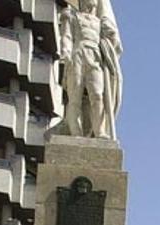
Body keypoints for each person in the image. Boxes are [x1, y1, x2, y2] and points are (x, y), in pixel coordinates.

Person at [60, 0, 123, 140]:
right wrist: (65, 53)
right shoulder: (70, 16)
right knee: (74, 97)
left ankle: (100, 131)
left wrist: (110, 37)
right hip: (77, 54)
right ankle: (75, 132)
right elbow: (67, 37)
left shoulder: (99, 22)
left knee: (97, 95)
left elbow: (110, 39)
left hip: (95, 57)